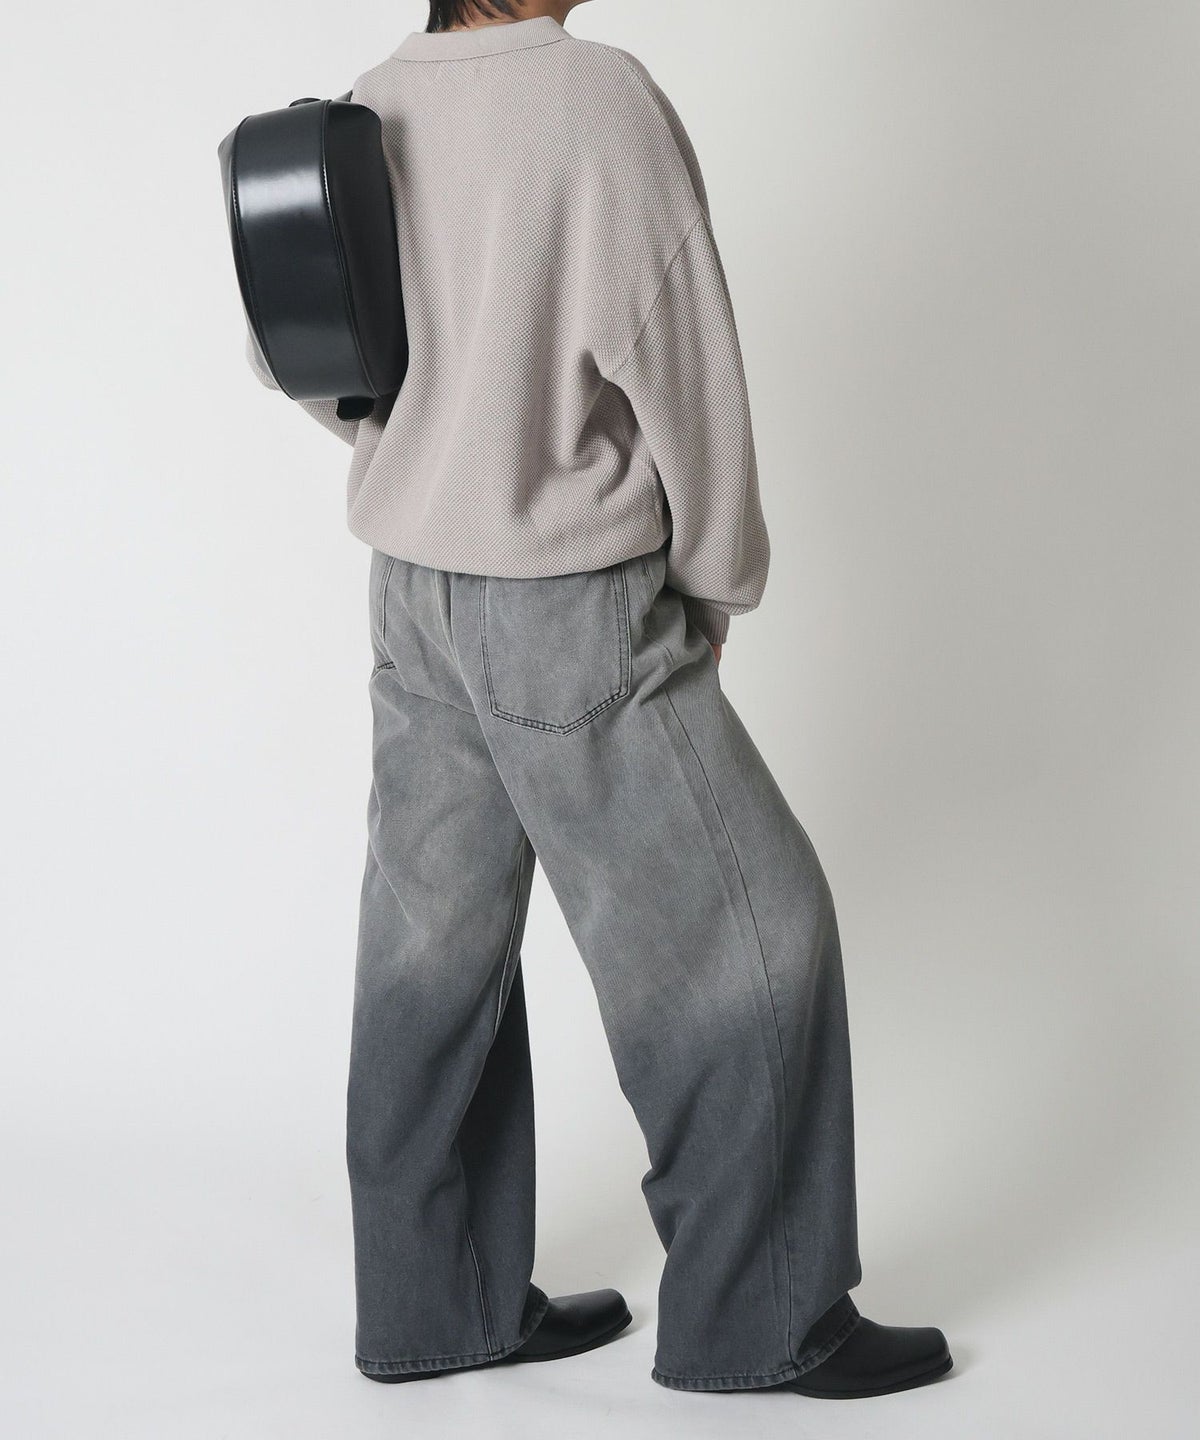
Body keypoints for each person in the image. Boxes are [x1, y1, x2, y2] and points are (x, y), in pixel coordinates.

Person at [243, 0, 953, 1399]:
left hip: (413, 594)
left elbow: (299, 348)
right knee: (752, 936)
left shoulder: (373, 97)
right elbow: (684, 360)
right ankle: (763, 1320)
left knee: (431, 954)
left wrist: (421, 440)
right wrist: (716, 578)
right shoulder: (596, 98)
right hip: (566, 602)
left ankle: (435, 1306)